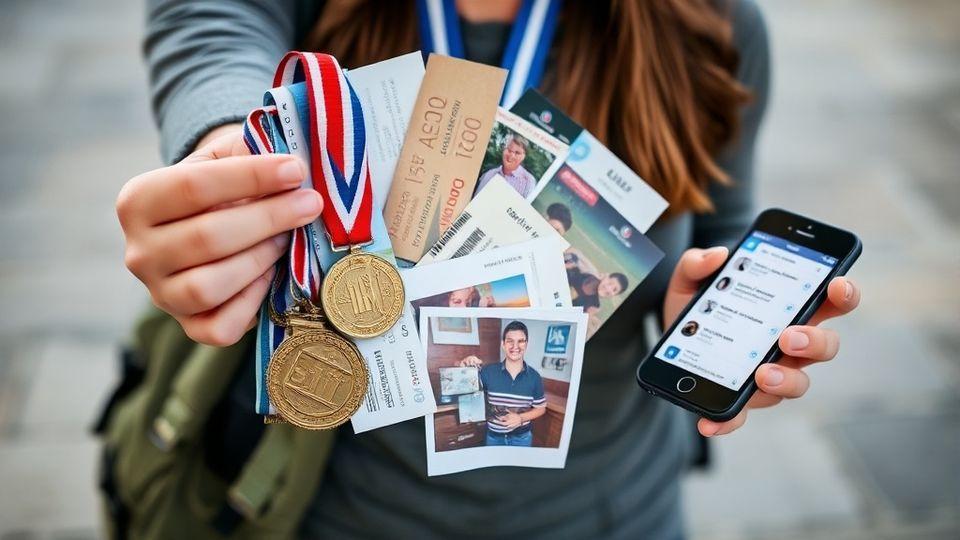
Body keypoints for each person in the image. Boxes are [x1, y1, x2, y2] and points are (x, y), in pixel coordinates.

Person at [118, 1, 862, 536]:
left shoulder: (714, 23)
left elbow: (722, 226)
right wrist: (231, 151)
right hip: (349, 507)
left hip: (614, 510)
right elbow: (209, 17)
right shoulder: (330, 15)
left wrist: (697, 313)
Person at [459, 321, 546, 447]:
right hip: (494, 438)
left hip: (522, 438)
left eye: (520, 341)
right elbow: (465, 389)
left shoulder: (535, 377)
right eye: (510, 341)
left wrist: (521, 418)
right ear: (503, 344)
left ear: (526, 344)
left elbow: (540, 408)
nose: (515, 346)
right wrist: (465, 367)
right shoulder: (488, 372)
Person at [475, 133, 537, 198]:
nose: (511, 155)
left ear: (523, 156)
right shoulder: (489, 174)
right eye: (509, 150)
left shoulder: (529, 181)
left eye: (517, 153)